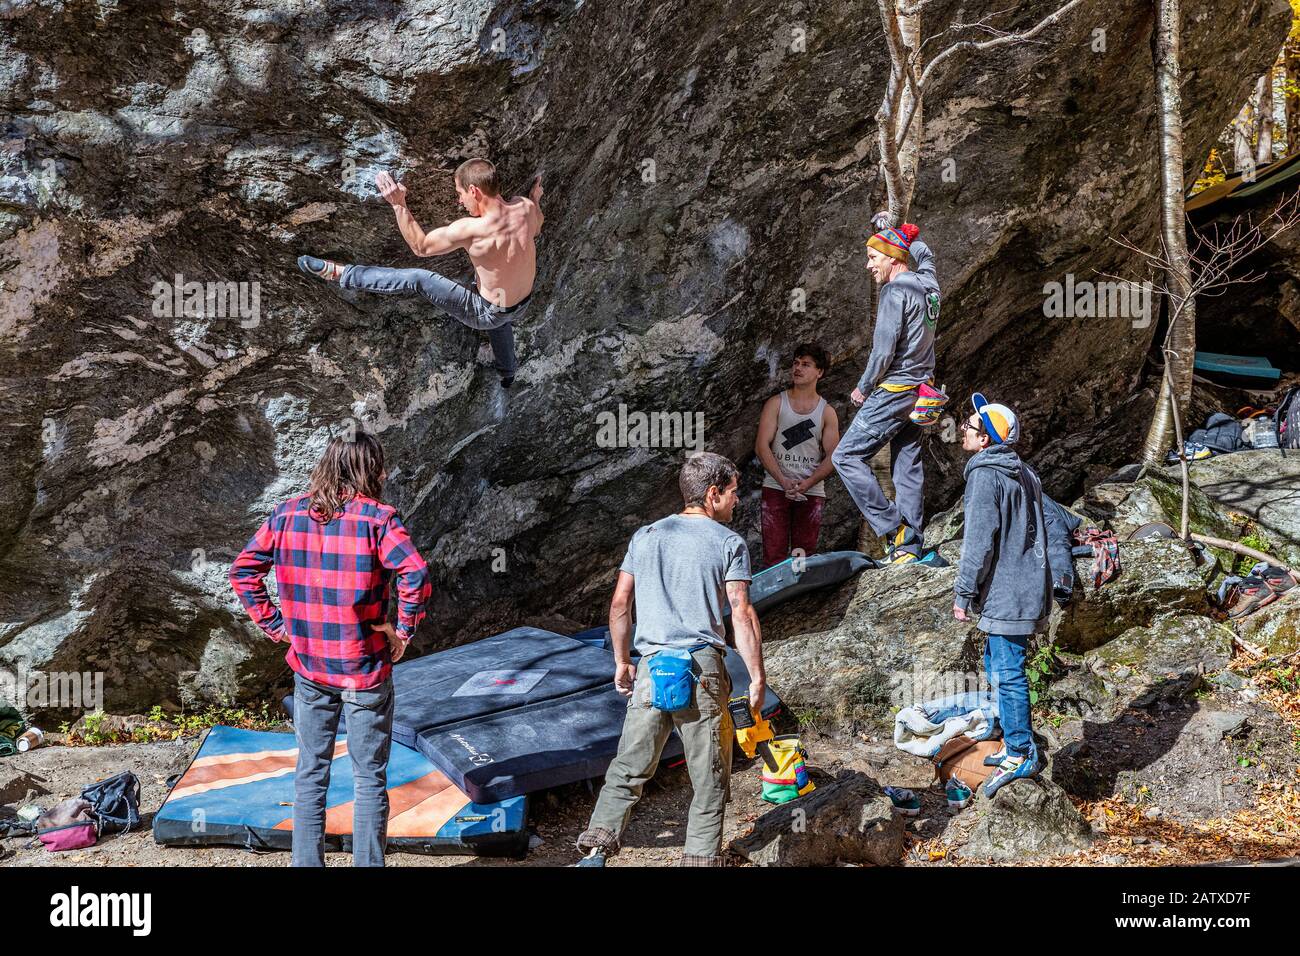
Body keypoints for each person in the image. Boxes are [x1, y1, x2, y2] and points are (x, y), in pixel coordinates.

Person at [229, 431, 431, 866]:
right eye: (380, 465)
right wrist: (404, 630)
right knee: (369, 779)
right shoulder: (379, 520)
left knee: (310, 773)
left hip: (309, 668)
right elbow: (415, 573)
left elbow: (243, 571)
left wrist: (277, 626)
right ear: (369, 470)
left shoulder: (285, 515)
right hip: (364, 668)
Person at [575, 452, 766, 867]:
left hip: (652, 666)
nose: (737, 501)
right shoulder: (728, 543)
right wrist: (756, 677)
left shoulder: (646, 536)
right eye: (733, 493)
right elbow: (741, 611)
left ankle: (594, 854)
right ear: (712, 494)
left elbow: (619, 605)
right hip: (701, 669)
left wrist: (623, 661)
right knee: (710, 777)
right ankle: (698, 859)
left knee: (629, 767)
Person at [299, 159, 543, 388]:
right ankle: (508, 373)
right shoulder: (526, 207)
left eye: (459, 194)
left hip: (487, 311)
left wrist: (398, 204)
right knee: (500, 317)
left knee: (419, 279)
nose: (460, 202)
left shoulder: (472, 230)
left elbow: (421, 247)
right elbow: (537, 228)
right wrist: (535, 198)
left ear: (474, 191)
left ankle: (342, 274)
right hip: (523, 302)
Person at [951, 394, 1052, 797]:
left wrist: (963, 591)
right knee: (997, 664)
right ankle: (1012, 741)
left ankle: (1021, 752)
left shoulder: (985, 475)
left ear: (987, 440)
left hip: (1007, 592)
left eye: (971, 426)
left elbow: (978, 542)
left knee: (1008, 673)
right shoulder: (1025, 473)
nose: (962, 428)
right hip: (1028, 587)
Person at [831, 217, 940, 563]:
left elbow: (883, 350)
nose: (868, 265)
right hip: (923, 392)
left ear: (893, 257)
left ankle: (894, 528)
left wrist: (863, 387)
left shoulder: (895, 291)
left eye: (873, 257)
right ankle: (910, 547)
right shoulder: (929, 284)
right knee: (907, 465)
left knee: (845, 456)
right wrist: (904, 229)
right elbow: (926, 254)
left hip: (894, 389)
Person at [755, 343, 840, 568]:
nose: (798, 368)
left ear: (819, 372)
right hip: (775, 487)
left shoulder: (827, 412)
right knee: (773, 557)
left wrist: (809, 482)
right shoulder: (776, 403)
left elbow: (834, 455)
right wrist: (783, 481)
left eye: (806, 364)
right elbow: (761, 446)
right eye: (795, 363)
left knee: (803, 559)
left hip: (811, 492)